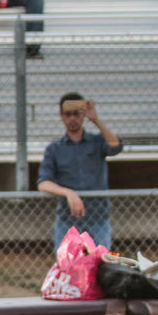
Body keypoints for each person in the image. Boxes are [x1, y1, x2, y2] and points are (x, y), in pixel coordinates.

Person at [37, 93, 122, 249]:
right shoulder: (54, 149)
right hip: (68, 219)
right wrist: (69, 193)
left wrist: (95, 119)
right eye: (68, 114)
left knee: (101, 265)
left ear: (82, 115)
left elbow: (116, 146)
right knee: (67, 266)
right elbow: (43, 183)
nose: (72, 119)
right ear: (61, 116)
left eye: (76, 114)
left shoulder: (97, 142)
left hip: (98, 217)